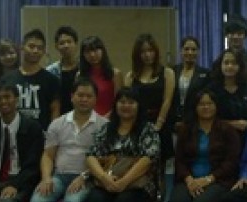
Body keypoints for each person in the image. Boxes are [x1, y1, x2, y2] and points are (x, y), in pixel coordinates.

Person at [32, 79, 107, 202]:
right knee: (38, 200)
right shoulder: (57, 123)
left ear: (95, 99)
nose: (84, 99)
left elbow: (105, 160)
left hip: (87, 178)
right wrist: (46, 178)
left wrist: (84, 177)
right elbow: (48, 155)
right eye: (80, 95)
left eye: (89, 96)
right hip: (58, 176)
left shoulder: (104, 126)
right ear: (72, 97)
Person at [86, 87, 161, 202]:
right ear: (115, 105)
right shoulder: (106, 129)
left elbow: (148, 159)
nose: (126, 106)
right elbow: (91, 156)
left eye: (131, 102)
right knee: (94, 198)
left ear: (138, 106)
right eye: (122, 102)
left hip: (137, 183)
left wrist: (123, 182)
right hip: (107, 181)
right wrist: (104, 178)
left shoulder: (148, 129)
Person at [124, 33, 176, 198]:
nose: (147, 55)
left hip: (160, 124)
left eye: (150, 50)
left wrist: (158, 125)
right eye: (143, 51)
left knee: (162, 167)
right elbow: (128, 103)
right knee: (140, 166)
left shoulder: (167, 73)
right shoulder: (131, 76)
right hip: (138, 125)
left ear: (156, 52)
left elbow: (167, 100)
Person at [172, 89, 241, 202]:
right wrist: (189, 180)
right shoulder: (186, 130)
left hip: (218, 180)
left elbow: (231, 162)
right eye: (201, 104)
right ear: (195, 107)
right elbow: (179, 160)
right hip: (189, 180)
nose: (206, 107)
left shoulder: (227, 130)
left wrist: (208, 179)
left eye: (209, 103)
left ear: (216, 106)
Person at [2, 29, 61, 131]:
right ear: (22, 47)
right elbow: (2, 108)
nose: (35, 51)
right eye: (31, 46)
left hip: (41, 136)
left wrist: (52, 136)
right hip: (13, 135)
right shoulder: (8, 79)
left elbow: (55, 110)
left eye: (40, 48)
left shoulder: (52, 80)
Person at [207, 48, 247, 142]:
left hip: (246, 138)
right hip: (219, 138)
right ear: (220, 65)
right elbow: (207, 118)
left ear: (240, 66)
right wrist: (232, 124)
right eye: (226, 63)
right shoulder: (212, 88)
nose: (229, 66)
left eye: (234, 63)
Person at [77, 36, 123, 117]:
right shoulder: (79, 75)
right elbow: (78, 101)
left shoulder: (115, 74)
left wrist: (103, 120)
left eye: (95, 50)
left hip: (109, 120)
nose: (92, 55)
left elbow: (119, 102)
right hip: (85, 120)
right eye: (88, 52)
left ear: (102, 51)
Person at [171, 36, 210, 131]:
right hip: (173, 121)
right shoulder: (172, 71)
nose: (190, 52)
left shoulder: (206, 74)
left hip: (195, 122)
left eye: (193, 49)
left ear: (198, 52)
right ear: (181, 51)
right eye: (186, 49)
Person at [46, 26, 80, 115]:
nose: (66, 45)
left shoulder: (86, 69)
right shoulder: (50, 71)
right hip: (59, 119)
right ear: (56, 46)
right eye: (62, 43)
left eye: (69, 42)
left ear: (76, 44)